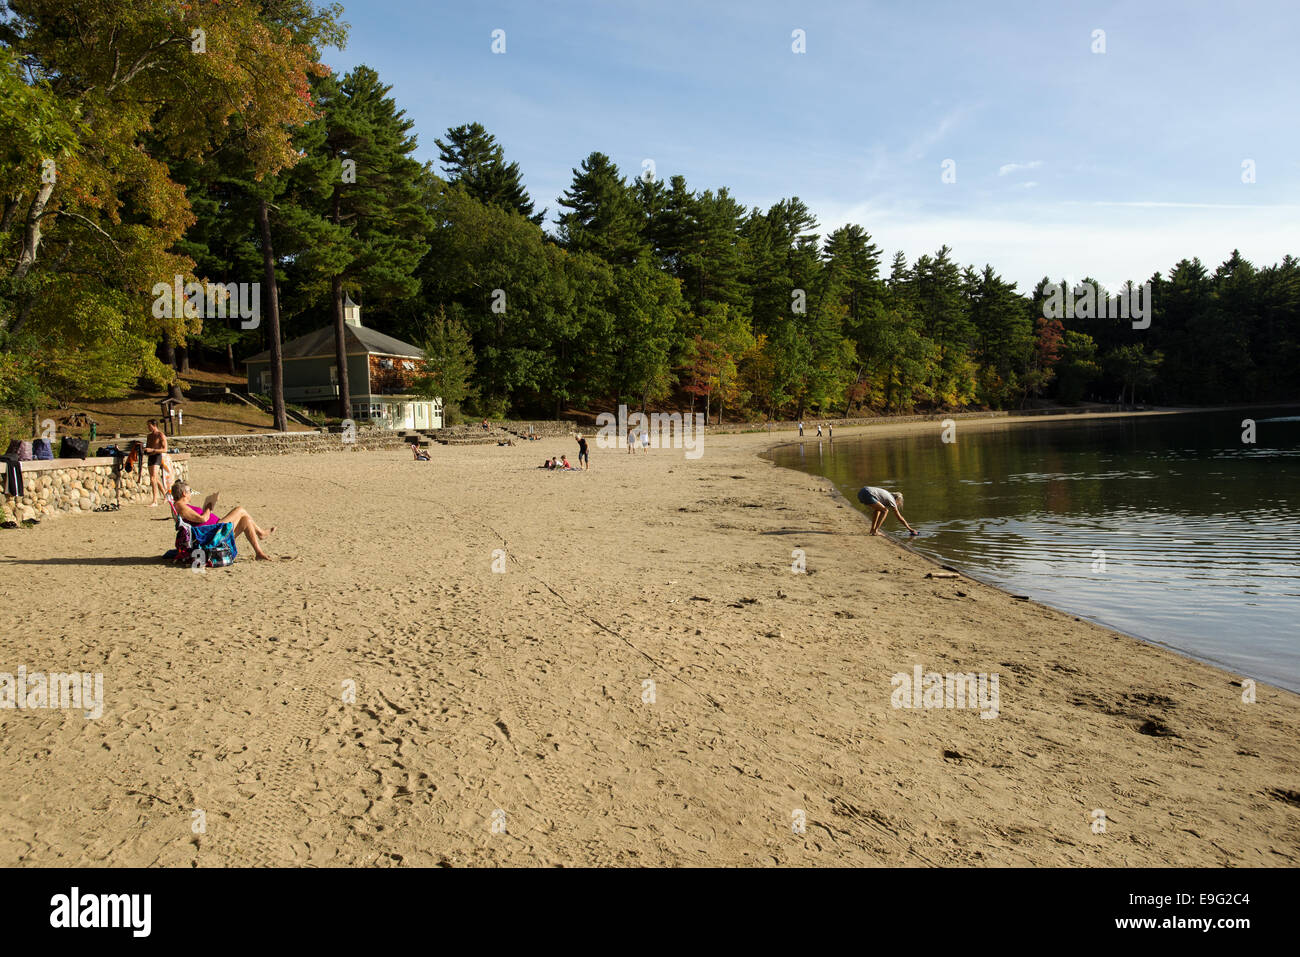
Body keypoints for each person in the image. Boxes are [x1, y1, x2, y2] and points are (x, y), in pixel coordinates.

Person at [172, 480, 276, 560]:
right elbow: (202, 519)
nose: (191, 493)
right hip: (212, 533)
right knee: (240, 509)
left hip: (214, 530)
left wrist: (208, 508)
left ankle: (259, 553)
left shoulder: (183, 505)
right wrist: (209, 507)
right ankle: (261, 533)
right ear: (184, 493)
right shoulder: (180, 505)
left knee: (246, 520)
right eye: (190, 491)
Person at [145, 420, 168, 507]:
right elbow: (148, 446)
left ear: (154, 425)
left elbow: (165, 449)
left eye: (149, 426)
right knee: (155, 478)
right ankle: (166, 495)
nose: (148, 428)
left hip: (157, 456)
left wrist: (153, 450)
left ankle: (155, 501)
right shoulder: (149, 436)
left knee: (153, 478)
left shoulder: (160, 435)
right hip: (150, 457)